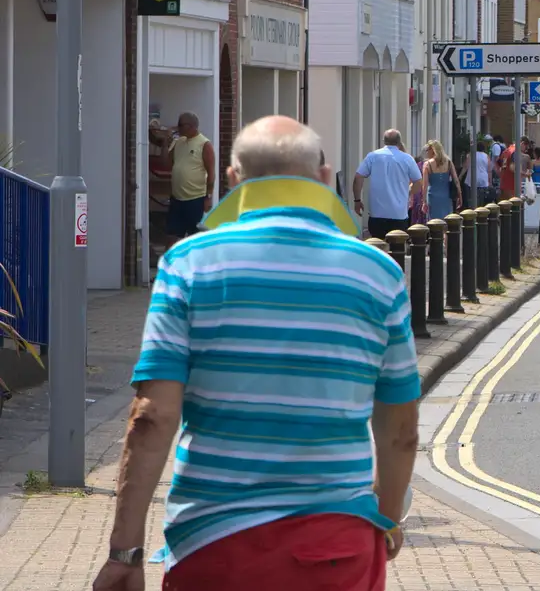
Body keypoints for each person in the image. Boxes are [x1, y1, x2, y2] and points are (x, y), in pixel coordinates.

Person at [92, 116, 419, 591]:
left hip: (213, 542)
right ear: (324, 179)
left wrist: (125, 552)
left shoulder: (187, 265)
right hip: (336, 546)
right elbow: (399, 430)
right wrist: (386, 518)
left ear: (232, 181)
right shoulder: (378, 273)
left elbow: (152, 416)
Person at [352, 129, 424, 241]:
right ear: (399, 142)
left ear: (383, 141)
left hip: (377, 214)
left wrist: (357, 200)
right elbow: (419, 182)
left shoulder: (373, 156)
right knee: (397, 249)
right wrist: (408, 192)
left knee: (378, 246)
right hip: (399, 214)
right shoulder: (407, 159)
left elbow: (358, 177)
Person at [165, 112, 215, 241]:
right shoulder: (179, 142)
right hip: (177, 199)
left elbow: (211, 172)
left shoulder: (204, 144)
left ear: (191, 126)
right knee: (172, 237)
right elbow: (166, 162)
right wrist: (166, 142)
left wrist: (208, 197)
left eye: (180, 125)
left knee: (194, 238)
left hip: (195, 199)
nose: (178, 128)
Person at [424, 139, 461, 219]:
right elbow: (456, 181)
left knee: (433, 222)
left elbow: (425, 185)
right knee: (446, 220)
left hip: (433, 196)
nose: (426, 152)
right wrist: (460, 196)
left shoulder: (428, 164)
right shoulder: (448, 162)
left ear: (432, 150)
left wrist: (424, 201)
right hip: (446, 196)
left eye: (427, 150)